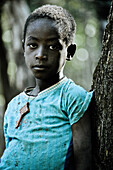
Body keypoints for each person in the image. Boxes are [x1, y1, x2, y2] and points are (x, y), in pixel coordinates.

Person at [0, 4, 93, 170]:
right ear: (23, 48)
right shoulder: (14, 105)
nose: (40, 55)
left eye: (52, 46)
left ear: (69, 51)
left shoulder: (71, 96)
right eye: (33, 45)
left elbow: (84, 156)